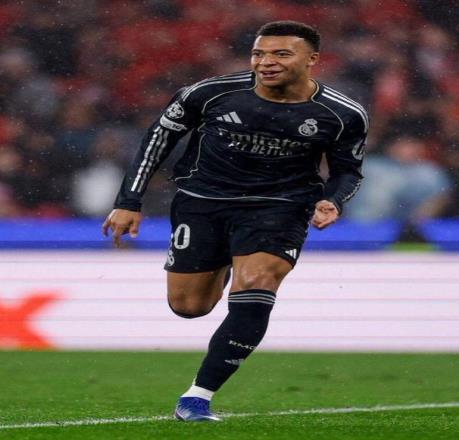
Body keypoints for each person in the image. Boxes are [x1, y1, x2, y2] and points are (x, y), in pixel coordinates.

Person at [102, 20, 368, 422]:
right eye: (259, 53)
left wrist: (333, 200)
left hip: (279, 207)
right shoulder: (209, 94)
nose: (266, 62)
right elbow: (158, 138)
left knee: (258, 282)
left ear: (312, 59)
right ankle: (228, 260)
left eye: (281, 53)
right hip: (203, 202)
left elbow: (348, 170)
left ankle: (197, 397)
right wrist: (129, 200)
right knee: (189, 306)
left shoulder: (342, 113)